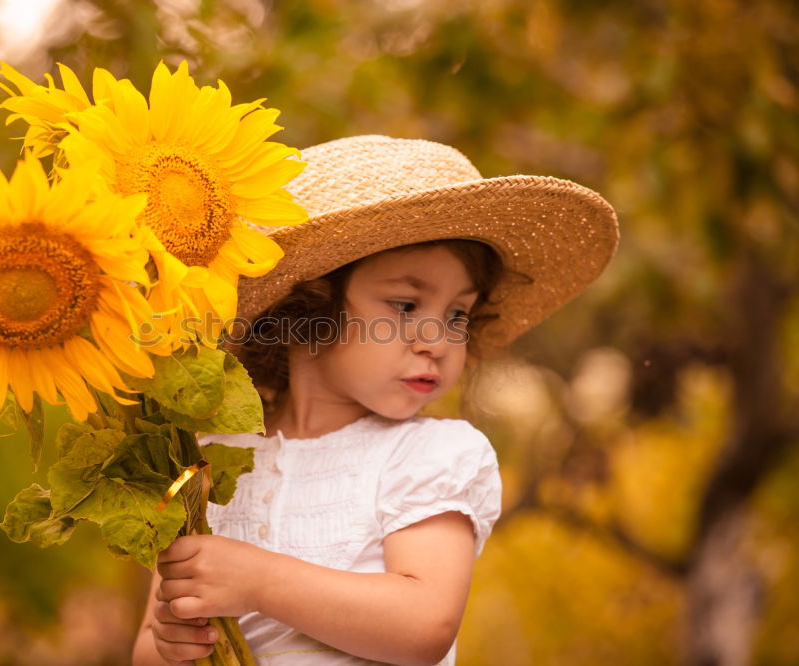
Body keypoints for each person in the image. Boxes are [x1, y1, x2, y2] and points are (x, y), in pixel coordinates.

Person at [131, 135, 619, 665]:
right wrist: (170, 639)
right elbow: (146, 650)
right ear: (306, 311)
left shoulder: (429, 456)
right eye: (406, 305)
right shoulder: (206, 457)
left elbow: (423, 625)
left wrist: (257, 581)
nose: (437, 339)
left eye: (458, 314)